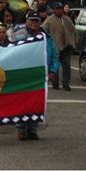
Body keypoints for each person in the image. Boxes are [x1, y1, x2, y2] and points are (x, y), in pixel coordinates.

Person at [12, 11, 59, 141]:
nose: (34, 23)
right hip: (23, 74)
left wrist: (53, 71)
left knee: (36, 102)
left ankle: (32, 129)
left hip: (40, 75)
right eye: (31, 20)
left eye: (36, 21)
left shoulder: (47, 37)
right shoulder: (19, 35)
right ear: (27, 21)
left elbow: (55, 55)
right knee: (22, 102)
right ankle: (21, 128)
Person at [43, 2, 76, 91]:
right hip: (55, 47)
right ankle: (55, 83)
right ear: (54, 10)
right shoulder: (49, 20)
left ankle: (66, 83)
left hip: (66, 46)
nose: (59, 10)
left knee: (66, 65)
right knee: (55, 66)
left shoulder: (67, 19)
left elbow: (73, 31)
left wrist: (72, 43)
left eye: (60, 8)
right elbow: (44, 30)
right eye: (57, 8)